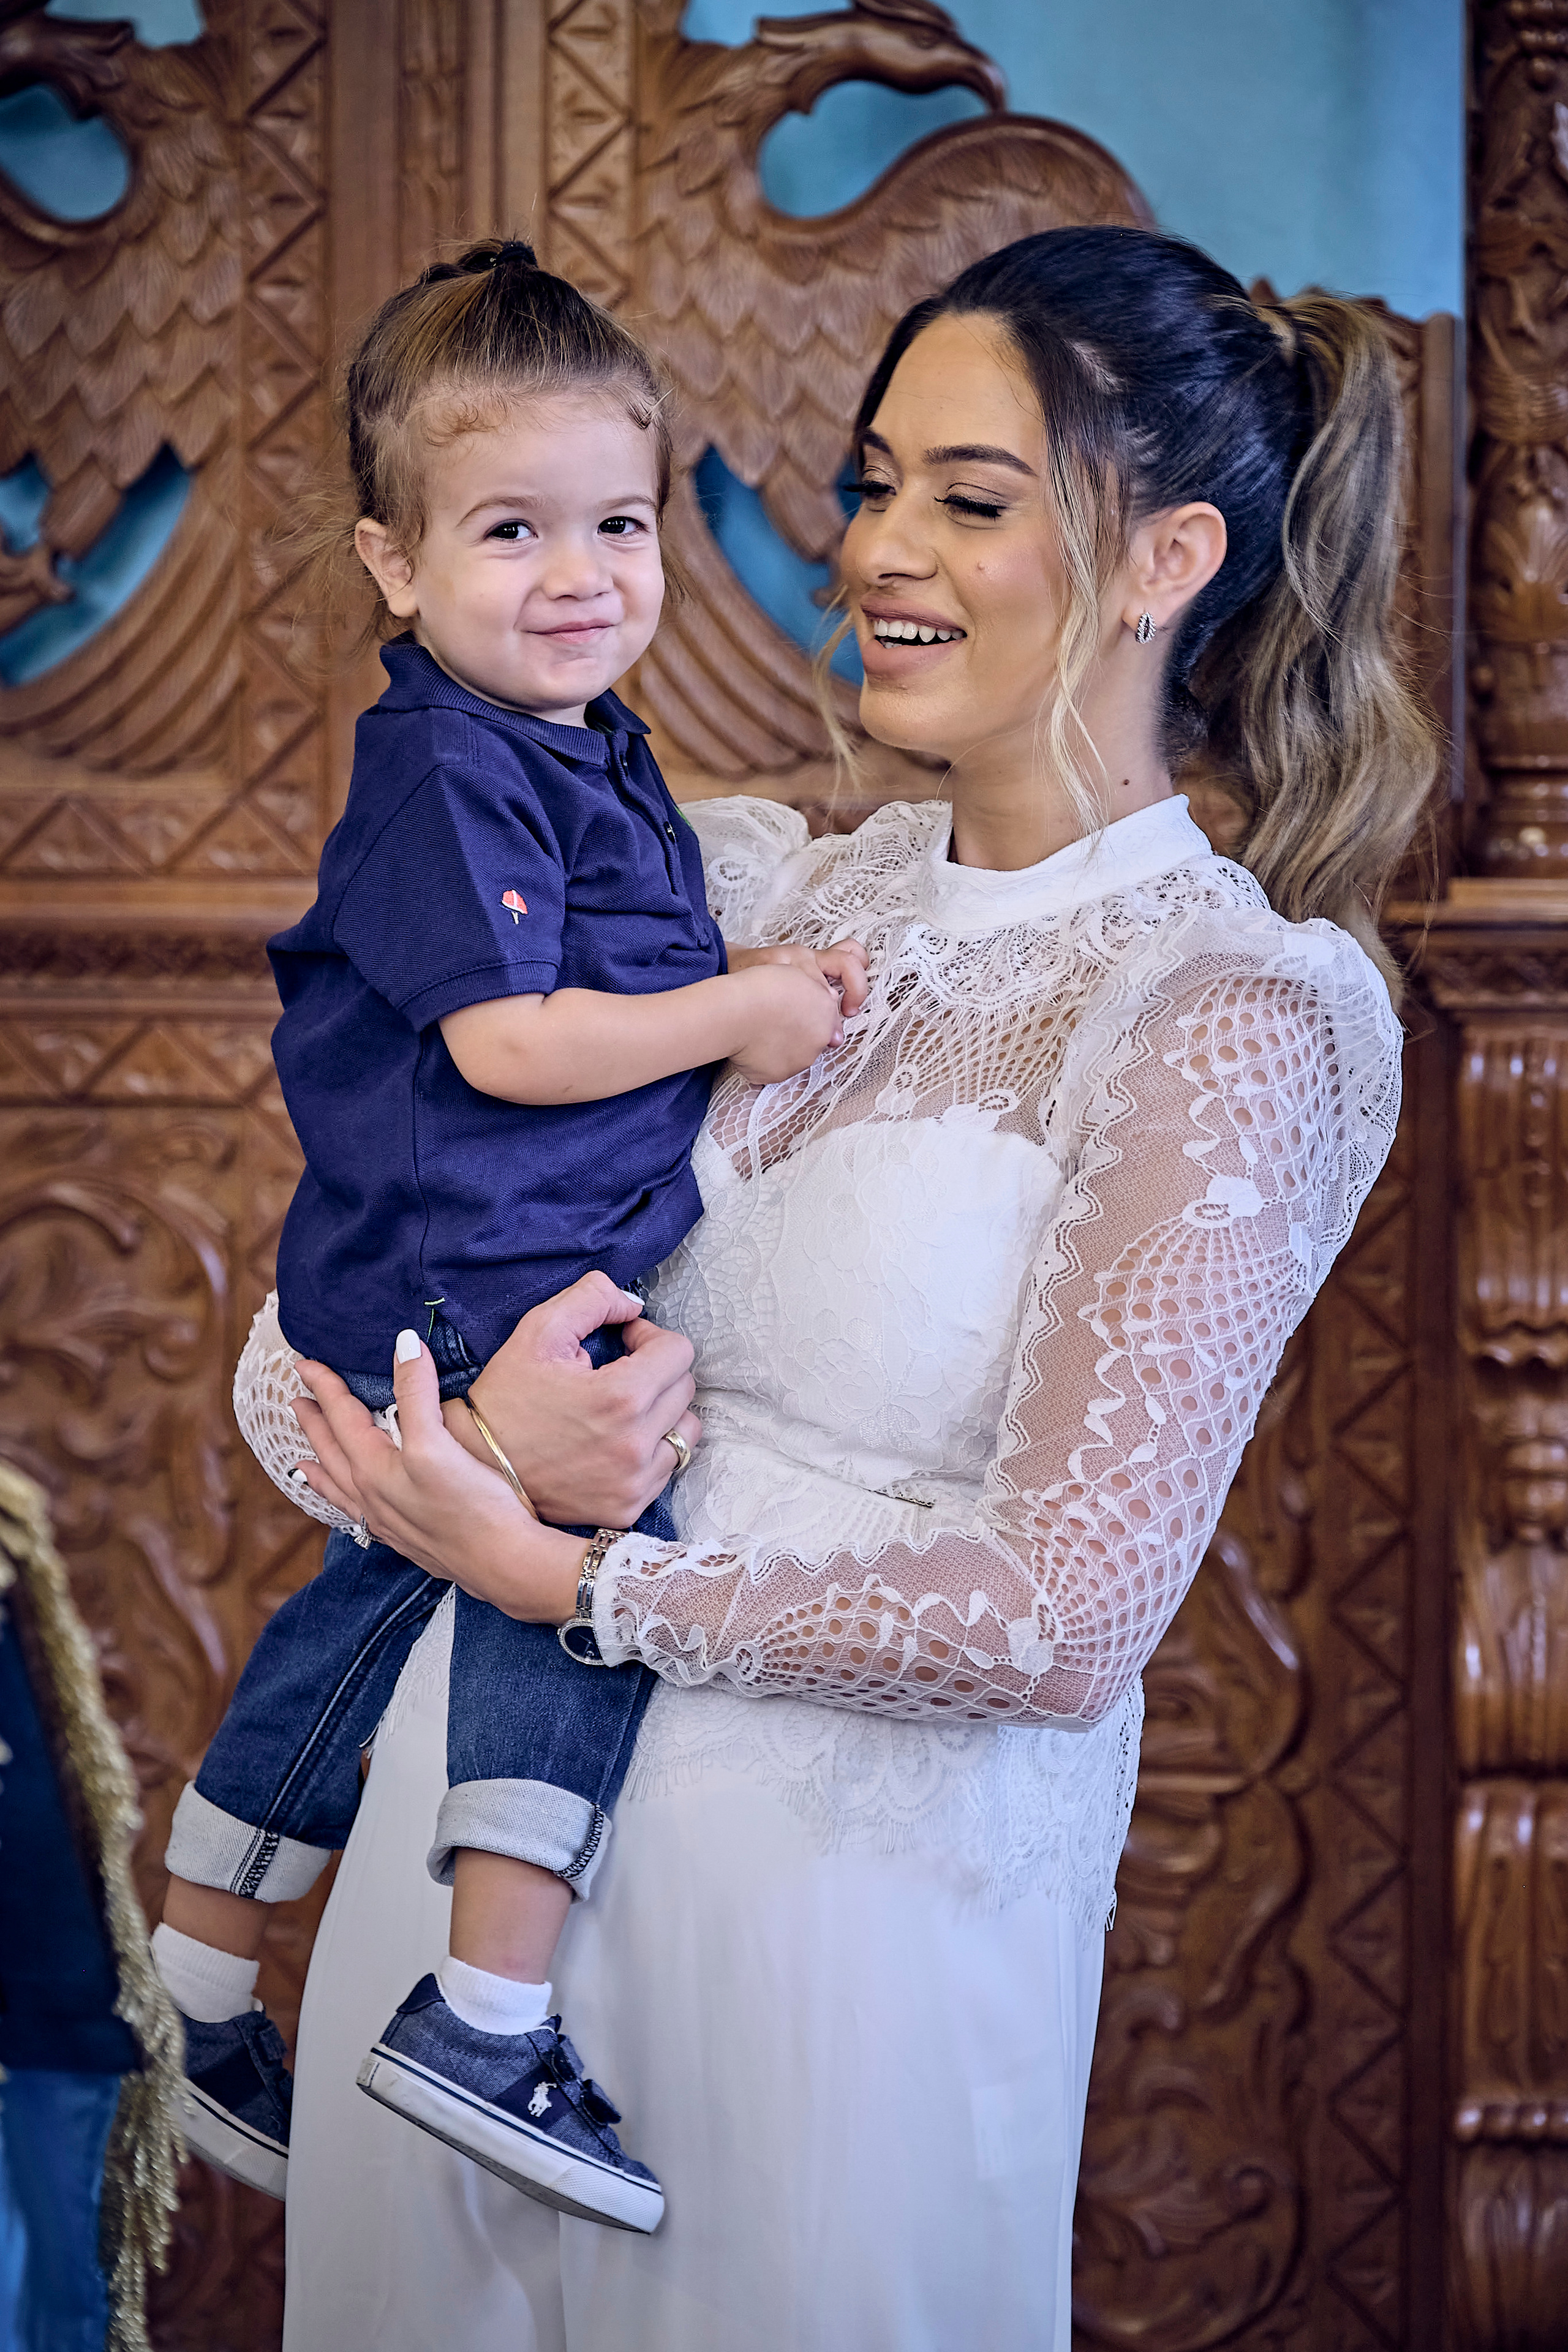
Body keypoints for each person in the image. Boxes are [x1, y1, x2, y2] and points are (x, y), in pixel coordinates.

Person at [279, 227, 1434, 2350]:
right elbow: (308, 1339)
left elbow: (1070, 1613)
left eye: (970, 502)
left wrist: (584, 1586)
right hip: (463, 1904)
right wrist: (470, 1440)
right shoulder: (734, 887)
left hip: (842, 1962)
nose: (883, 548)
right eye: (875, 482)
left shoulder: (1230, 1009)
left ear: (1172, 556)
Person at [148, 238, 866, 2231]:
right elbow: (510, 1037)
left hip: (474, 1250)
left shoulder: (566, 734)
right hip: (477, 1259)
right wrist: (740, 1013)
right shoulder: (452, 762)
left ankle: (199, 1966)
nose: (582, 573)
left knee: (375, 1589)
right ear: (390, 563)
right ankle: (484, 2004)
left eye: (619, 522)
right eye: (511, 529)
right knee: (567, 1570)